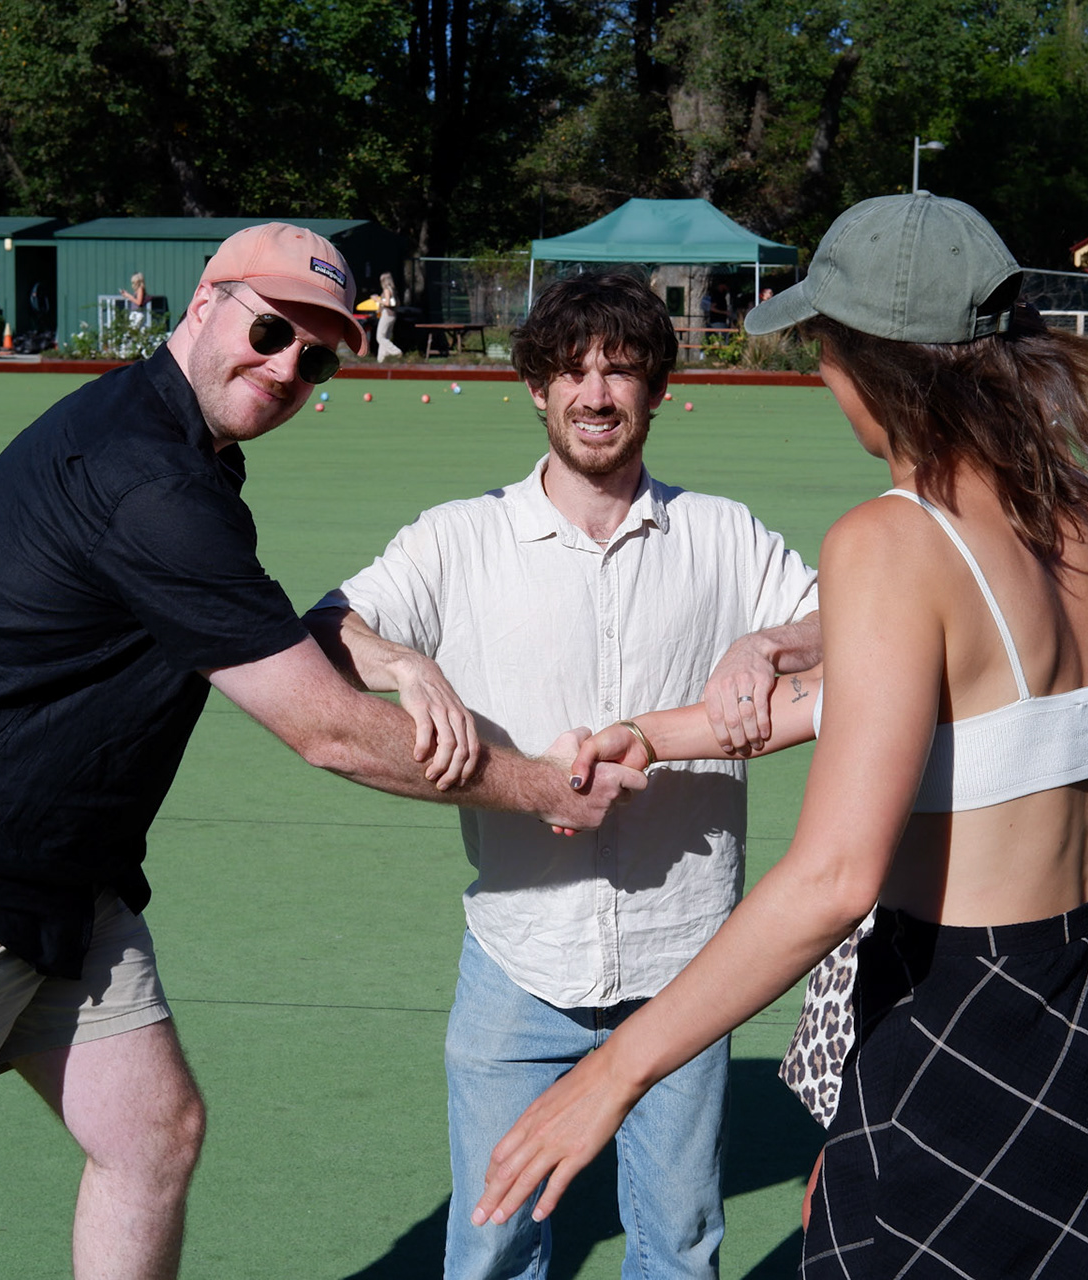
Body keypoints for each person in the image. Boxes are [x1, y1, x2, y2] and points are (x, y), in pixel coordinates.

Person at [0, 223, 641, 1280]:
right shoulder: (149, 479)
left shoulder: (181, 454)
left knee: (151, 1135)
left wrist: (388, 650)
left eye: (315, 358)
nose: (287, 367)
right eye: (270, 331)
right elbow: (323, 728)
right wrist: (544, 785)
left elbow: (252, 630)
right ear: (203, 303)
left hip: (50, 873)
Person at [472, 195, 1088, 1278]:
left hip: (963, 1051)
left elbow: (834, 879)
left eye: (825, 346)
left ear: (873, 362)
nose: (824, 374)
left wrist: (611, 1074)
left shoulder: (892, 541)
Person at [306, 272, 823, 1280]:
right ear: (536, 388)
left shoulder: (723, 535)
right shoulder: (459, 538)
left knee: (679, 1245)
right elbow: (326, 629)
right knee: (492, 1245)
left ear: (658, 389)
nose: (596, 394)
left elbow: (855, 624)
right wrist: (407, 662)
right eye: (572, 371)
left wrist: (769, 641)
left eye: (621, 370)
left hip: (687, 963)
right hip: (519, 958)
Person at [374, 270, 403, 362]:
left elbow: (387, 303)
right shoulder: (393, 290)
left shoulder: (386, 290)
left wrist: (377, 300)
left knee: (380, 337)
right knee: (385, 337)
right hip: (393, 315)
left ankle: (396, 351)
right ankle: (381, 360)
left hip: (387, 314)